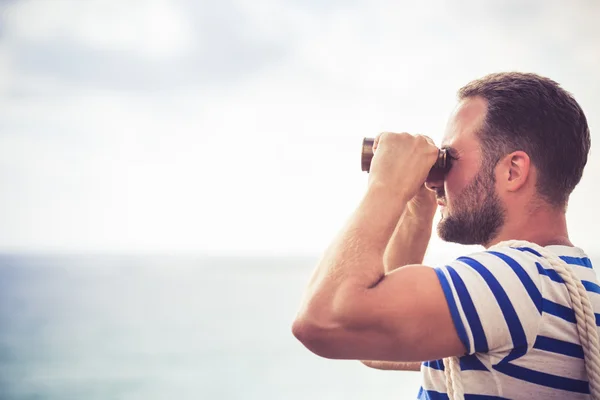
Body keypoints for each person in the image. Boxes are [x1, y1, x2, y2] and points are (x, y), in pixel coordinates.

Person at [291, 72, 596, 399]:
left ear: (513, 171)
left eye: (449, 158)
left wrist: (387, 185)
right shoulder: (566, 282)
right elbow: (372, 342)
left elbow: (324, 320)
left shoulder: (517, 279)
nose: (438, 178)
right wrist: (415, 207)